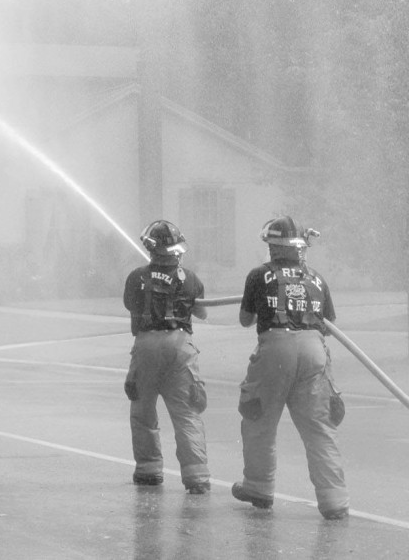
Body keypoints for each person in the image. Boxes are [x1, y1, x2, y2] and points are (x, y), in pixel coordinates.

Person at [232, 216, 348, 520]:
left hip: (275, 349)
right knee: (319, 428)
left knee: (260, 421)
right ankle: (334, 500)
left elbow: (246, 320)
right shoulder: (317, 278)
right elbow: (329, 323)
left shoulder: (259, 275)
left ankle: (258, 487)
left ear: (271, 246)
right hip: (313, 351)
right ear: (300, 248)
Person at [123, 220, 211, 493]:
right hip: (180, 347)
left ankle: (149, 472)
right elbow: (202, 313)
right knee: (187, 413)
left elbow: (131, 305)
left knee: (143, 411)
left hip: (147, 346)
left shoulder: (137, 277)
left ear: (150, 249)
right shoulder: (191, 278)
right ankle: (197, 477)